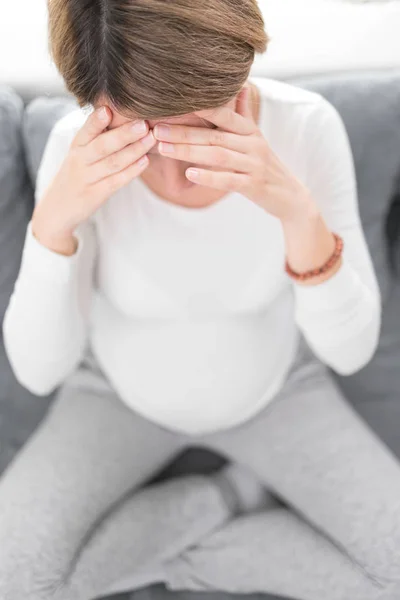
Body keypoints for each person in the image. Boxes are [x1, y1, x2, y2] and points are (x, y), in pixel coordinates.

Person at [1, 1, 400, 599]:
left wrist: (297, 212)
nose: (175, 168)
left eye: (201, 126)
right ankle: (228, 498)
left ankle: (192, 556)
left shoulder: (307, 127)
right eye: (139, 133)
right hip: (112, 397)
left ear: (236, 77)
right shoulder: (72, 149)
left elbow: (348, 352)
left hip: (281, 393)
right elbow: (38, 373)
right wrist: (53, 227)